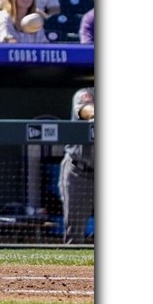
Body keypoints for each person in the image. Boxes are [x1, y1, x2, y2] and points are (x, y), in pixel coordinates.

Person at [60, 87, 95, 244]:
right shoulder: (86, 93)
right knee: (74, 232)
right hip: (79, 172)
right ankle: (73, 269)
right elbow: (87, 110)